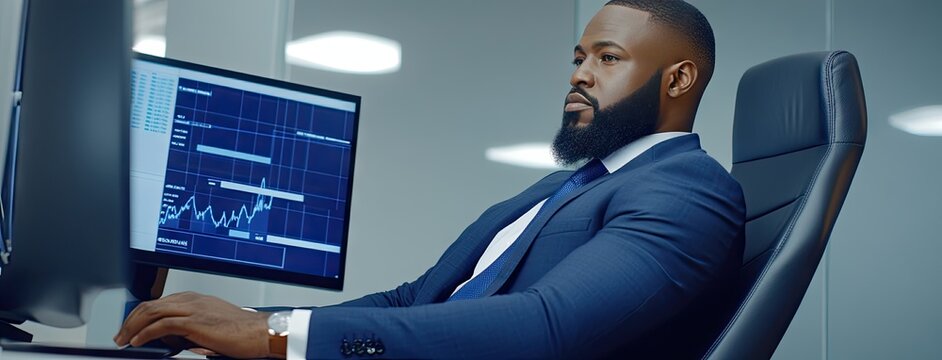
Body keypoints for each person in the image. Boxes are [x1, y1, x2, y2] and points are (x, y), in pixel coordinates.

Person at [114, 1, 745, 358]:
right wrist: (237, 319)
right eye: (578, 57)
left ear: (679, 80)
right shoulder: (562, 189)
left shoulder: (688, 190)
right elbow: (411, 302)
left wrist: (278, 338)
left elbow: (548, 326)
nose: (579, 74)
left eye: (608, 58)